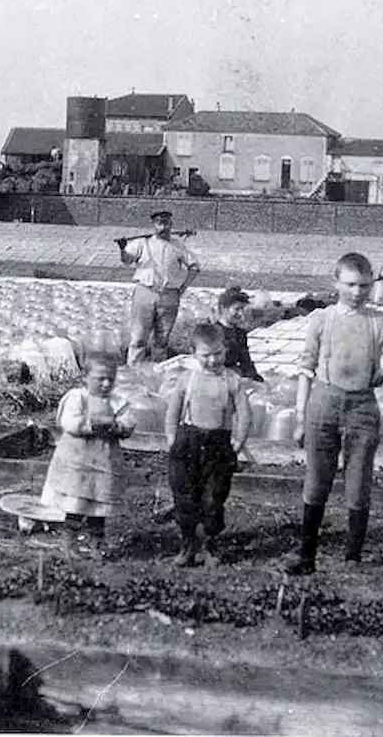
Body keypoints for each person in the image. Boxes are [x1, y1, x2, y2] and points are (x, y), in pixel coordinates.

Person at [286, 253, 383, 575]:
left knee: (358, 480)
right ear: (336, 283)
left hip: (363, 405)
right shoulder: (321, 320)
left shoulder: (379, 320)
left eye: (365, 285)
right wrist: (299, 417)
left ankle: (353, 557)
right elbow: (305, 368)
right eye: (350, 284)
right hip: (323, 401)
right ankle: (306, 556)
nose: (357, 291)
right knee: (316, 480)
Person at [164, 323, 251, 567]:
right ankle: (188, 544)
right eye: (206, 355)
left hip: (218, 444)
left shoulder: (232, 379)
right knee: (184, 496)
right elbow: (173, 410)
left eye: (218, 354)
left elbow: (244, 413)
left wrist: (238, 440)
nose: (213, 360)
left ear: (225, 350)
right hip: (188, 441)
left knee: (214, 497)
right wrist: (171, 436)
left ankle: (209, 544)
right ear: (193, 353)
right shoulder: (187, 378)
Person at [41, 354, 137, 559]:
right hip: (78, 459)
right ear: (85, 377)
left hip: (104, 461)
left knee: (99, 504)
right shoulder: (78, 398)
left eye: (110, 379)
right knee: (76, 503)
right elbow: (68, 423)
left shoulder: (117, 402)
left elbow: (129, 422)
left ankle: (96, 542)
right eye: (100, 378)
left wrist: (118, 427)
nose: (106, 384)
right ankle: (69, 542)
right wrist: (89, 426)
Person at [117, 210, 201, 365]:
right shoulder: (143, 243)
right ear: (154, 225)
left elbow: (194, 266)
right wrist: (123, 248)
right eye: (160, 224)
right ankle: (133, 371)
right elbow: (127, 260)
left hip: (169, 296)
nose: (164, 227)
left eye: (167, 223)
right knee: (138, 338)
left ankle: (158, 371)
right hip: (145, 293)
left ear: (171, 225)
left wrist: (182, 288)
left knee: (161, 340)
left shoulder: (177, 246)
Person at [215, 287, 263, 383]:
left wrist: (254, 378)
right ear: (223, 309)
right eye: (237, 309)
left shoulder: (240, 333)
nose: (241, 314)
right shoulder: (212, 332)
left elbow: (245, 361)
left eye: (242, 309)